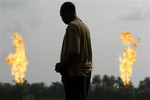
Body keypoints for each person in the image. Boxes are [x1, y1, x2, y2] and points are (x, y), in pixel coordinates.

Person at [55, 2, 92, 100]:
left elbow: (74, 52)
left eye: (62, 15)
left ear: (69, 12)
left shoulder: (73, 26)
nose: (62, 19)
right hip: (85, 74)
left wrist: (62, 65)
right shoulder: (84, 26)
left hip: (75, 75)